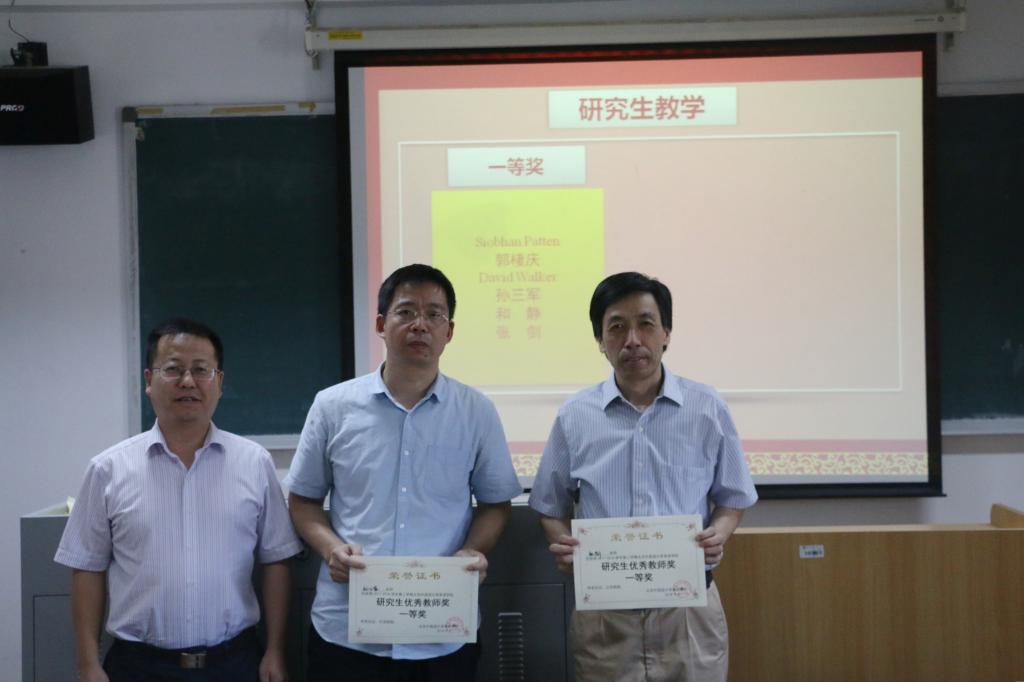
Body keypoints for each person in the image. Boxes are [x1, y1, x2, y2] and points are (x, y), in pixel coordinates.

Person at [285, 263, 522, 682]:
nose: (420, 325)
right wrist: (330, 548)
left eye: (434, 315)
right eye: (406, 312)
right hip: (346, 630)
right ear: (381, 324)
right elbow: (303, 500)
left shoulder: (476, 411)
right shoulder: (332, 406)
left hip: (442, 629)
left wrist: (473, 549)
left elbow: (496, 504)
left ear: (449, 331)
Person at [528, 272, 758, 682]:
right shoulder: (575, 415)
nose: (632, 339)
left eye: (646, 324)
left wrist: (718, 533)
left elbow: (733, 498)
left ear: (666, 333)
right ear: (600, 340)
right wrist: (564, 545)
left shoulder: (706, 407)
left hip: (687, 606)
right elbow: (549, 505)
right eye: (617, 327)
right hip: (605, 611)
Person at [55, 318, 303, 682]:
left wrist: (275, 649)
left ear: (219, 382)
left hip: (234, 663)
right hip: (137, 666)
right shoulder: (108, 469)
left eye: (201, 370)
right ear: (148, 380)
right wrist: (88, 664)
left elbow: (277, 559)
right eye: (173, 369)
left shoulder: (254, 463)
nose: (188, 382)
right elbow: (86, 568)